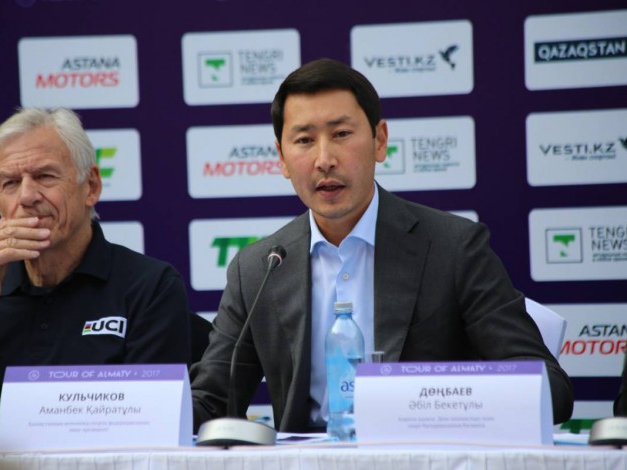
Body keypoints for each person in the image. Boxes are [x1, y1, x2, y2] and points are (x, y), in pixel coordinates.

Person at [190, 57, 574, 432]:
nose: (324, 159)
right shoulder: (258, 269)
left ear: (380, 140)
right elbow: (210, 401)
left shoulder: (453, 248)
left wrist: (441, 401)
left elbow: (549, 389)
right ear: (282, 158)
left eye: (341, 134)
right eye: (304, 140)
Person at [0, 107, 191, 438]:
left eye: (45, 176)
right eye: (10, 183)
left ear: (90, 186)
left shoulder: (150, 288)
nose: (27, 196)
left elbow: (151, 430)